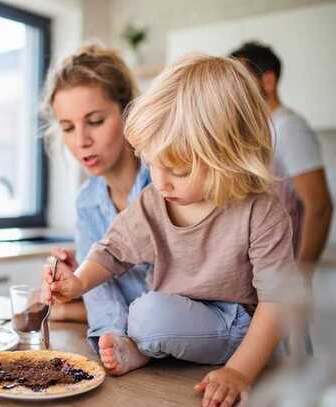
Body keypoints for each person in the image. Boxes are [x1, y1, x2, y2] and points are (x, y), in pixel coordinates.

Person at [43, 54, 297, 407]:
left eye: (176, 170)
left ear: (228, 155)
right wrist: (79, 282)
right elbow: (112, 250)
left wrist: (239, 371)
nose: (160, 182)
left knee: (150, 315)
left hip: (237, 327)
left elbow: (277, 303)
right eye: (153, 164)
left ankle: (149, 348)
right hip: (178, 320)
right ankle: (146, 350)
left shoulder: (262, 212)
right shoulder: (155, 199)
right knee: (149, 313)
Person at [41, 44, 151, 349]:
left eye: (95, 121)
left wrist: (71, 310)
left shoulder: (167, 182)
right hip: (137, 356)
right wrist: (73, 287)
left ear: (128, 111)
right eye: (67, 127)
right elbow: (104, 298)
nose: (81, 141)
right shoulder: (87, 202)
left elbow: (174, 309)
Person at [230, 42, 333, 263]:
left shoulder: (290, 128)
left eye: (242, 81)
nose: (234, 90)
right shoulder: (261, 130)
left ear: (268, 81)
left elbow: (319, 207)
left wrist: (301, 276)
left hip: (285, 269)